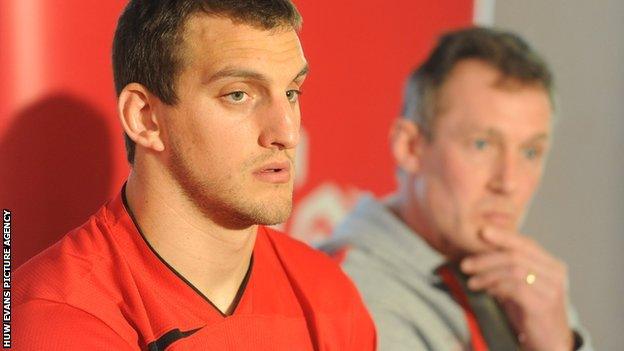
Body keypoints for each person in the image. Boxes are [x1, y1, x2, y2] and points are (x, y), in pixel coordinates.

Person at [14, 1, 376, 350]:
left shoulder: (328, 296)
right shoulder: (57, 317)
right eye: (238, 94)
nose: (287, 132)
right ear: (145, 117)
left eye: (291, 92)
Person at [321, 27, 593, 351]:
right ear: (410, 147)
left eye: (530, 152)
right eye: (481, 145)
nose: (508, 182)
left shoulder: (529, 287)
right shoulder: (352, 293)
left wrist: (558, 340)